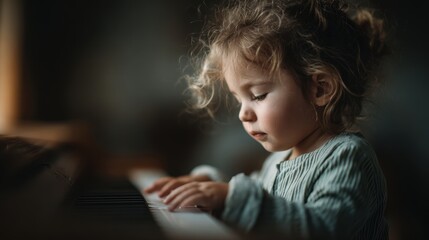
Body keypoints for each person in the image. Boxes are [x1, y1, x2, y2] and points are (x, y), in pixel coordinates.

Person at [145, 0, 389, 239]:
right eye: (239, 99)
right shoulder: (278, 160)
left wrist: (230, 197)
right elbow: (259, 200)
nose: (243, 114)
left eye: (258, 95)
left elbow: (322, 227)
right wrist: (210, 185)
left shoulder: (349, 157)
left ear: (321, 89)